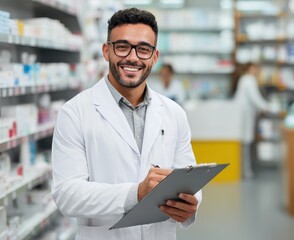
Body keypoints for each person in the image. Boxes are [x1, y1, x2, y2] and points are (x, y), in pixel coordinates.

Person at [51, 8, 201, 240]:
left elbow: (189, 179)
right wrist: (135, 193)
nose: (132, 57)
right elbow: (67, 195)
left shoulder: (174, 114)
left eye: (143, 49)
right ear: (106, 51)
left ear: (154, 57)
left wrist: (192, 204)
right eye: (122, 46)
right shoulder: (75, 112)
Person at [233, 62, 270, 179]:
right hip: (244, 116)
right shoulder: (249, 79)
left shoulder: (245, 79)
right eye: (255, 68)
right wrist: (268, 107)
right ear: (250, 68)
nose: (257, 71)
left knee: (245, 143)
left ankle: (245, 170)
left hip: (244, 115)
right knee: (245, 143)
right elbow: (255, 98)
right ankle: (245, 171)